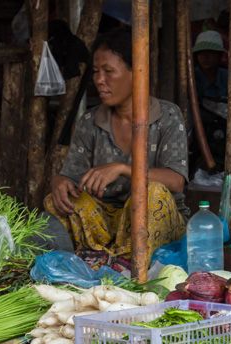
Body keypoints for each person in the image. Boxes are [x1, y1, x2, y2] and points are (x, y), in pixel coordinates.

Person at [45, 29, 190, 258]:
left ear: (136, 73)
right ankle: (107, 259)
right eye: (96, 72)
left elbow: (176, 181)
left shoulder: (167, 116)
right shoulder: (90, 121)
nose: (99, 80)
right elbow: (71, 177)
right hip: (105, 224)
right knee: (55, 202)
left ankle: (129, 263)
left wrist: (122, 169)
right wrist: (59, 182)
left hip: (154, 221)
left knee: (152, 193)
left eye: (109, 71)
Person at [192, 30, 229, 104]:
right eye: (201, 52)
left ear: (219, 55)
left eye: (211, 52)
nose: (205, 57)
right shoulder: (191, 78)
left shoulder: (228, 77)